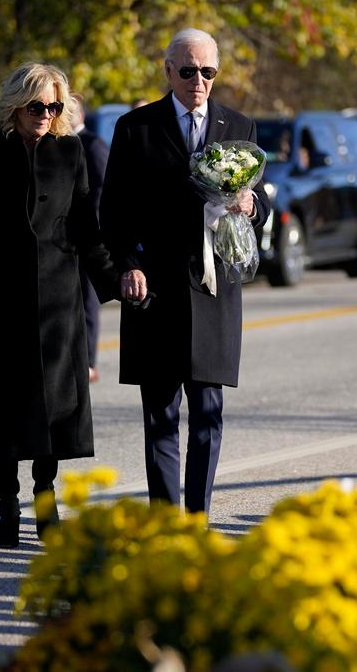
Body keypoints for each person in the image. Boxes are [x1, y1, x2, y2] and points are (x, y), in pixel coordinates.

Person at [0, 63, 120, 548]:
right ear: (15, 106)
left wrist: (115, 283)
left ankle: (45, 499)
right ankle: (8, 507)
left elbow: (88, 231)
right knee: (4, 413)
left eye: (55, 106)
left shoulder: (71, 152)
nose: (46, 114)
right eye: (37, 106)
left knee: (53, 412)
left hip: (57, 301)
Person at [101, 28, 270, 517]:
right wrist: (127, 266)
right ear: (168, 70)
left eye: (209, 72)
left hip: (214, 288)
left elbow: (261, 206)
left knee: (207, 414)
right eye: (189, 70)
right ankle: (164, 523)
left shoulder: (239, 126)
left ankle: (197, 519)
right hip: (155, 290)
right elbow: (112, 212)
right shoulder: (135, 129)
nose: (199, 80)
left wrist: (249, 202)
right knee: (160, 415)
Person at [73, 100, 111, 383]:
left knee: (88, 298)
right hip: (66, 236)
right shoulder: (57, 144)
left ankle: (88, 361)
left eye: (72, 108)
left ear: (82, 114)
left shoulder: (92, 144)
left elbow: (104, 188)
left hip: (90, 233)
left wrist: (94, 222)